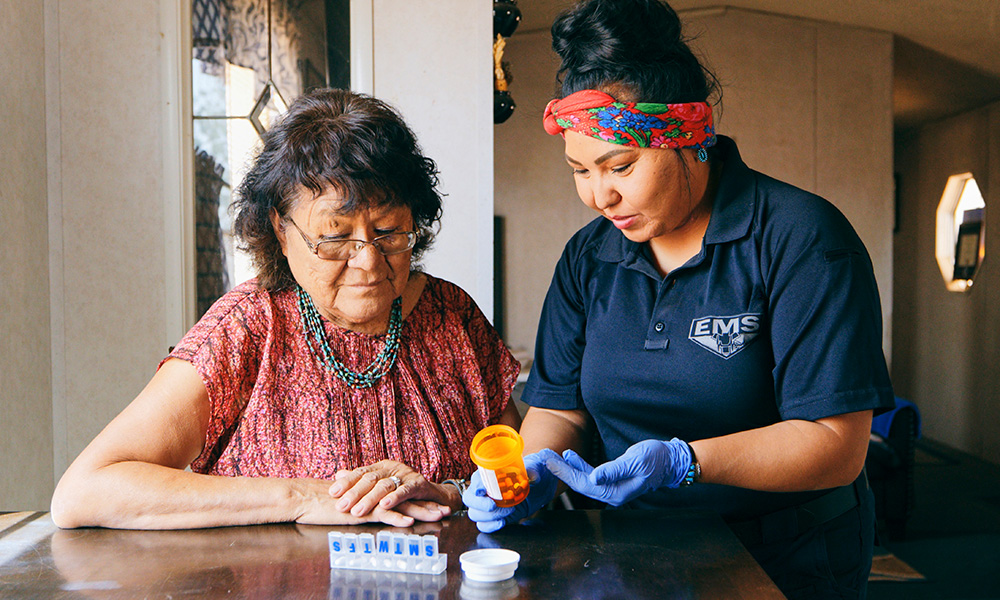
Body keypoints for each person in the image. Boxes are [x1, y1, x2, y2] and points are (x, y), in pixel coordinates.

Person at [463, 1, 894, 598]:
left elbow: (835, 444)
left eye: (620, 165)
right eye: (579, 170)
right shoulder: (588, 259)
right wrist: (526, 476)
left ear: (692, 139)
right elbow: (560, 410)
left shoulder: (801, 238)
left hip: (784, 555)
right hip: (628, 552)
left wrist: (682, 461)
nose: (599, 196)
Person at [51, 88, 521, 530]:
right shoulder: (246, 328)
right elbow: (85, 492)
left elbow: (516, 477)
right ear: (281, 228)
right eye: (335, 236)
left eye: (389, 230)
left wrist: (451, 493)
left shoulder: (452, 315)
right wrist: (303, 497)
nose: (369, 260)